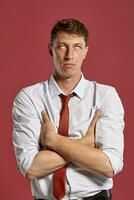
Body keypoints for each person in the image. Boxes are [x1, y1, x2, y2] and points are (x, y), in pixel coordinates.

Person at [12, 18, 124, 200]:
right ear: (51, 49)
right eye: (62, 46)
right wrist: (85, 145)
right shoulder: (29, 98)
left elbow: (110, 165)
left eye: (77, 47)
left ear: (86, 52)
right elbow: (30, 167)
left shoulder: (106, 96)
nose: (70, 55)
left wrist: (53, 140)